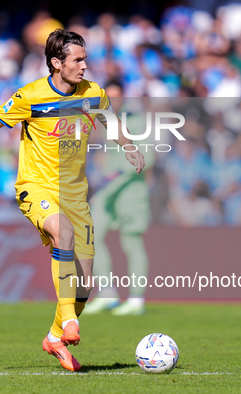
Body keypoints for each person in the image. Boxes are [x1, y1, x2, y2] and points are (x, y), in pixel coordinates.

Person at [0, 29, 145, 372]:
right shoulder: (31, 96)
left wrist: (129, 147)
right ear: (57, 63)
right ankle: (71, 322)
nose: (84, 65)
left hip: (76, 195)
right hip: (37, 187)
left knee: (86, 284)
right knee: (63, 233)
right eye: (77, 59)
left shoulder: (94, 93)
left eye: (85, 58)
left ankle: (56, 336)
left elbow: (111, 123)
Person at [84, 81, 154, 316]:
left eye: (116, 97)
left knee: (131, 243)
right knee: (91, 236)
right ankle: (107, 294)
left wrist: (118, 176)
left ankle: (136, 299)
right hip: (108, 190)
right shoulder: (106, 122)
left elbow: (149, 158)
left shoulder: (136, 121)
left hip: (130, 190)